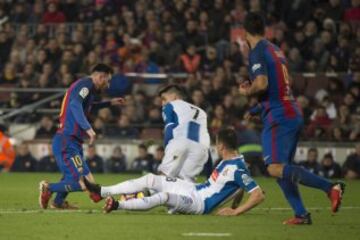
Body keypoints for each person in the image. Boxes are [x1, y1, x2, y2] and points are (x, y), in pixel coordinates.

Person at [239, 13, 344, 225]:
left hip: (280, 116)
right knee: (281, 170)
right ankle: (301, 214)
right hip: (288, 110)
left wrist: (247, 92)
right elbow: (280, 86)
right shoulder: (275, 49)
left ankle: (330, 187)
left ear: (245, 32)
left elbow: (261, 83)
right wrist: (258, 109)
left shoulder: (257, 51)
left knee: (274, 168)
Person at [83, 128, 265, 216]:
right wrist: (233, 206)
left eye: (216, 144)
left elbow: (258, 195)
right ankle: (100, 192)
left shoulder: (237, 168)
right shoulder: (230, 162)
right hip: (195, 189)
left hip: (199, 203)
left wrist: (235, 212)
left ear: (221, 145)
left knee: (164, 197)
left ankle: (116, 205)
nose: (215, 147)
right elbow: (240, 188)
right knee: (152, 179)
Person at [38, 63, 125, 209]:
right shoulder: (86, 84)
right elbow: (75, 104)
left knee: (83, 178)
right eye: (107, 80)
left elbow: (88, 105)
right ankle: (48, 188)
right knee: (83, 183)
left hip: (73, 141)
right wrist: (88, 128)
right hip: (67, 140)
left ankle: (58, 202)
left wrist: (109, 103)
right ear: (99, 76)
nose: (107, 85)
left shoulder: (87, 91)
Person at [157, 84, 210, 182]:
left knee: (163, 179)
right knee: (185, 186)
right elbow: (205, 138)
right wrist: (209, 172)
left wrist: (167, 148)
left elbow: (170, 128)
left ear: (174, 97)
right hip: (199, 150)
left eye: (164, 99)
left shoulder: (170, 105)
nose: (162, 103)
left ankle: (146, 196)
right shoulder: (202, 112)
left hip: (179, 143)